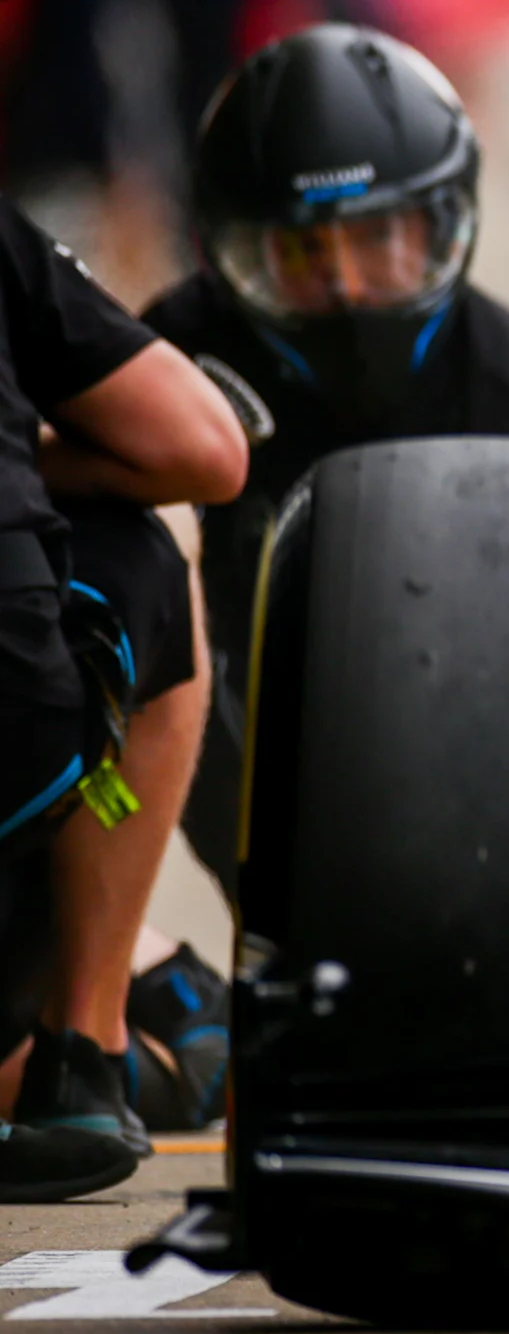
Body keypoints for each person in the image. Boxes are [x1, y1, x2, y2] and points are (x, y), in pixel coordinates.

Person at [148, 27, 509, 920]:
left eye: (379, 239)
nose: (349, 287)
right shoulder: (168, 378)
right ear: (235, 251)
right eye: (306, 256)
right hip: (242, 792)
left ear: (443, 226)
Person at [0, 205, 248, 1199]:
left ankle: (127, 1021)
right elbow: (206, 451)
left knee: (205, 1050)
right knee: (147, 547)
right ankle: (88, 1039)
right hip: (24, 744)